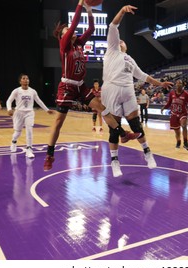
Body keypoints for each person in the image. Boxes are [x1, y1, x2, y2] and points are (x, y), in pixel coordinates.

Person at [43, 0, 139, 171]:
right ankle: (50, 155)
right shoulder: (64, 45)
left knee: (103, 108)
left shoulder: (78, 44)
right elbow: (72, 26)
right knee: (58, 121)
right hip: (67, 87)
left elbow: (92, 29)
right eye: (66, 31)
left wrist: (89, 10)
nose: (70, 32)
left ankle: (123, 135)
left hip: (80, 86)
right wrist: (80, 3)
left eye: (69, 31)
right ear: (62, 36)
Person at [101, 5, 173, 177]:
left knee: (136, 125)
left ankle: (148, 153)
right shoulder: (112, 50)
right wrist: (122, 11)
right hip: (111, 89)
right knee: (114, 129)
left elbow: (144, 77)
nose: (120, 41)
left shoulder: (130, 59)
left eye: (122, 41)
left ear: (126, 46)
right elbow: (113, 26)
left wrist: (160, 84)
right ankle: (115, 162)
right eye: (118, 40)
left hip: (127, 90)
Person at [6, 73, 55, 158]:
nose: (26, 80)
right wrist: (9, 109)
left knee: (29, 130)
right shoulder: (16, 91)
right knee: (17, 132)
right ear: (20, 81)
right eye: (24, 78)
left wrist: (47, 110)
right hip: (18, 113)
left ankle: (29, 149)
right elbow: (9, 101)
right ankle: (14, 141)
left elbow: (39, 101)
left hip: (29, 113)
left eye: (27, 78)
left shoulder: (32, 91)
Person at [161, 79, 188, 151]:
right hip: (174, 113)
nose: (178, 84)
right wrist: (164, 107)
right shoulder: (172, 93)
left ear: (182, 85)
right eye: (177, 83)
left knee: (184, 126)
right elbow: (169, 103)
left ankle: (186, 143)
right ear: (175, 85)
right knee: (177, 130)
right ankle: (178, 141)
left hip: (183, 113)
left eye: (180, 83)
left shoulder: (186, 94)